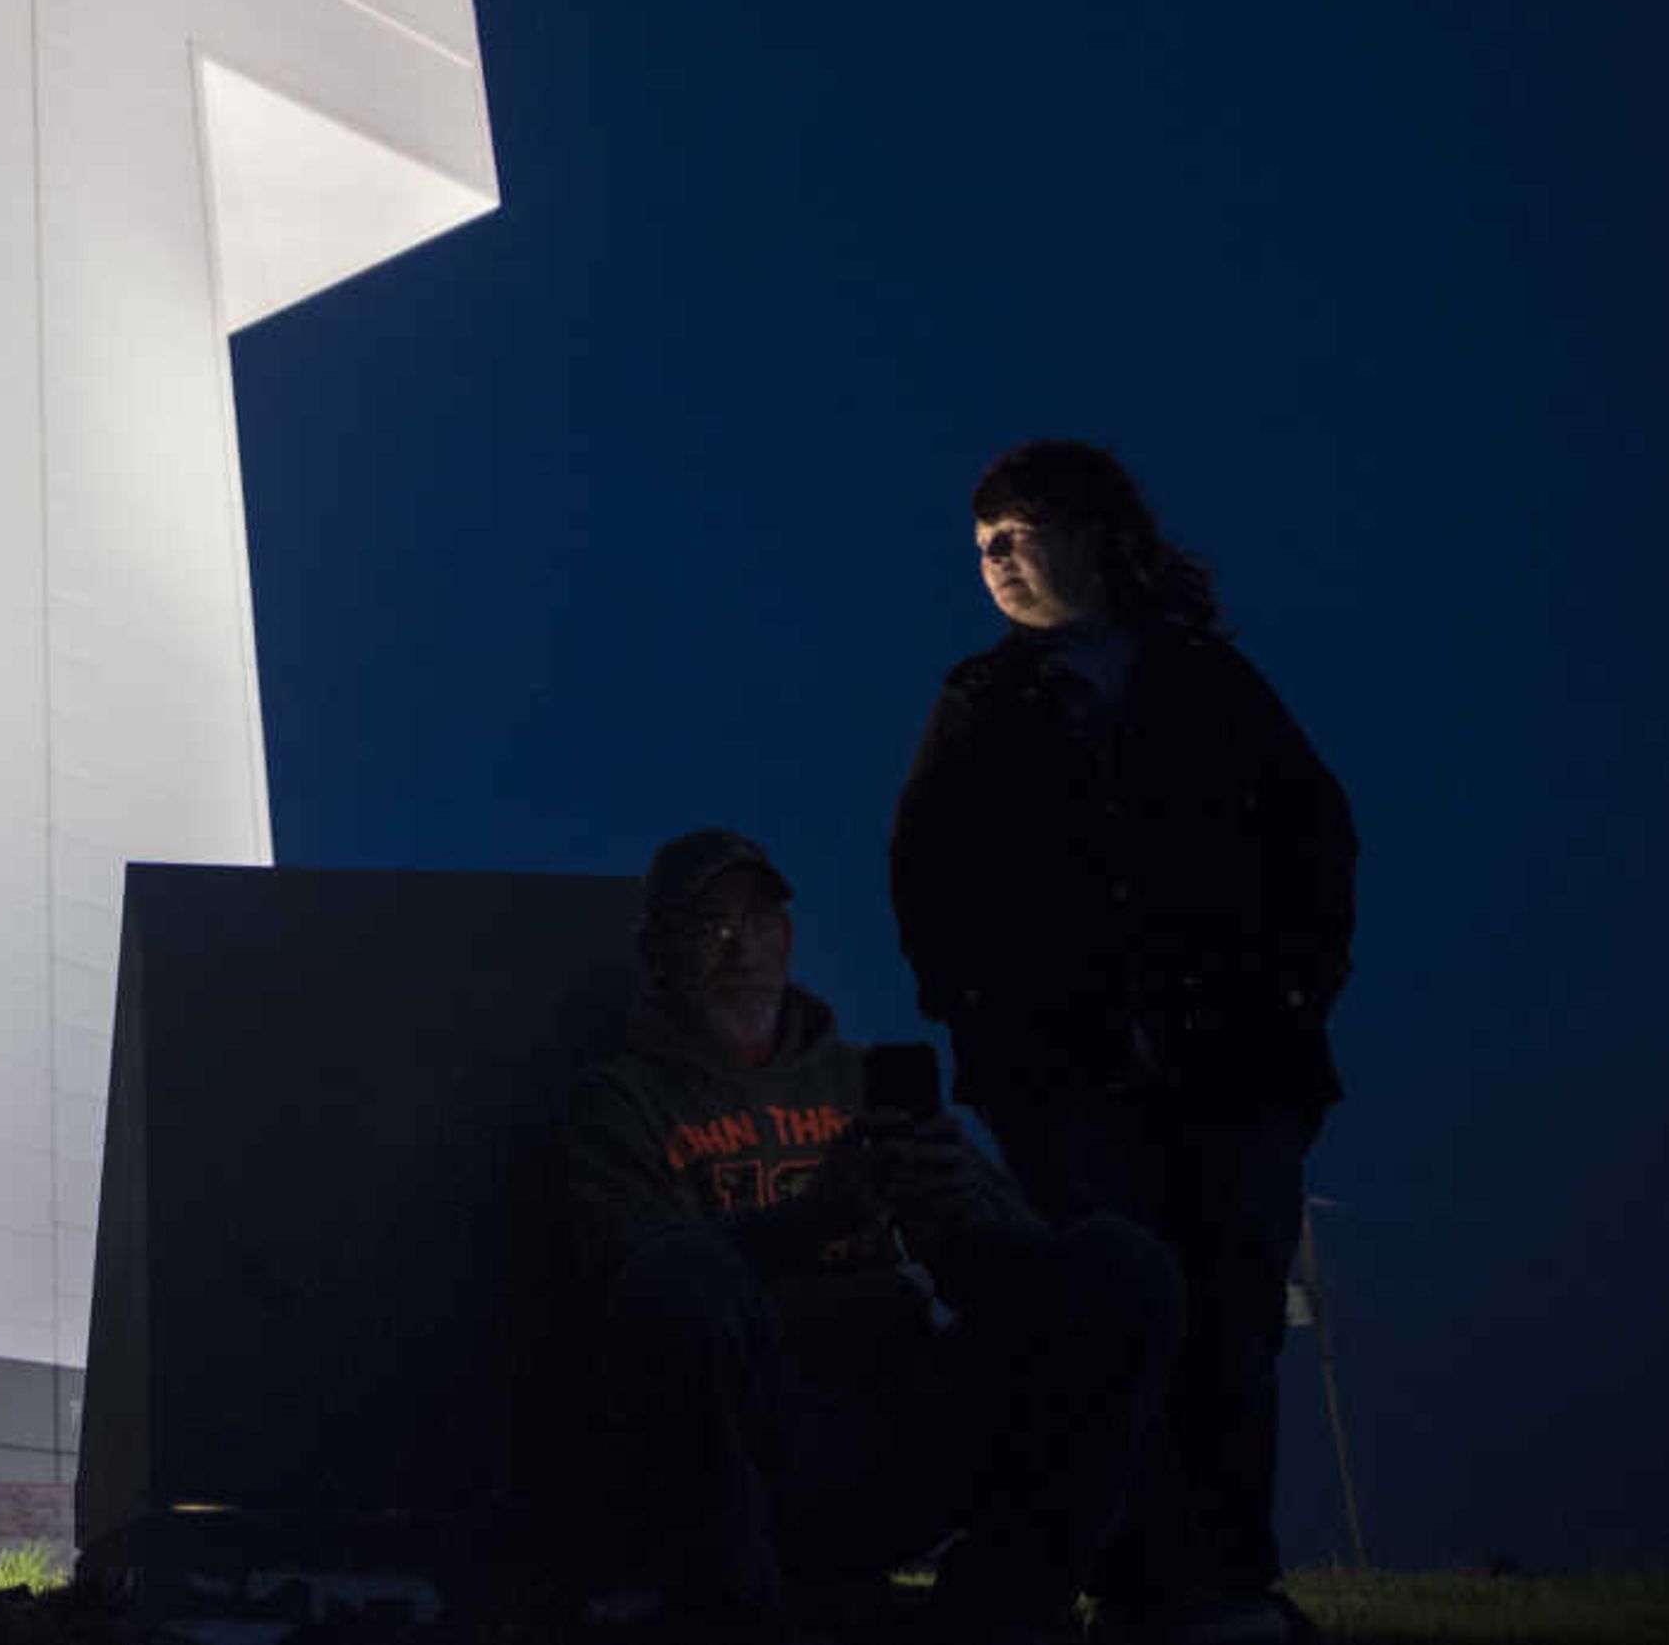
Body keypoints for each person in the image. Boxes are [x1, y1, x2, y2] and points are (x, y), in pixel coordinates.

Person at [892, 441, 1357, 1645]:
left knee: (1235, 1319)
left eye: (1016, 533)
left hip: (1237, 1068)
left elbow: (1318, 838)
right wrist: (988, 1020)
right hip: (1068, 1080)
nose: (994, 560)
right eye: (980, 544)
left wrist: (1295, 999)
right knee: (1118, 1314)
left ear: (1091, 532)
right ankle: (1150, 1584)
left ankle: (1234, 1581)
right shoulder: (979, 701)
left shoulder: (1206, 681)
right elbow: (926, 873)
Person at [569, 828, 1180, 1645]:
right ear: (658, 952)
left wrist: (963, 1219)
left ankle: (1011, 1602)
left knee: (1119, 1263)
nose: (739, 942)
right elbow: (637, 1281)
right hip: (761, 1445)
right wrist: (808, 1222)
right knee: (678, 1280)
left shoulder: (859, 1082)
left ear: (789, 934)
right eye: (708, 921)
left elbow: (1021, 1275)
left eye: (759, 916)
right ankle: (736, 1611)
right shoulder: (619, 1101)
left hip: (903, 1413)